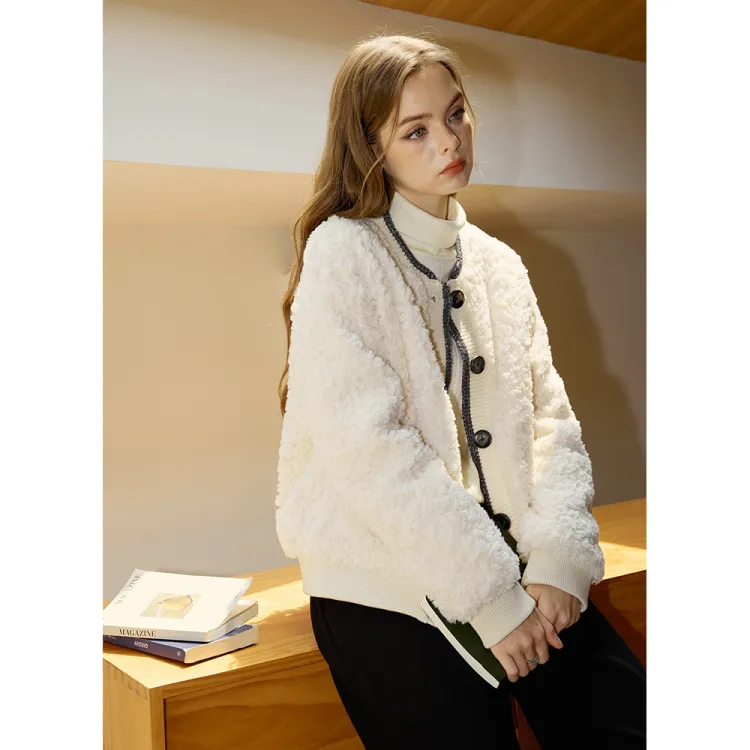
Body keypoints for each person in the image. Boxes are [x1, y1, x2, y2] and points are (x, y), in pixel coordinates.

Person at [275, 33, 646, 749]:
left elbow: (551, 422)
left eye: (455, 113)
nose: (449, 139)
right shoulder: (344, 252)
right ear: (372, 148)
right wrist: (492, 599)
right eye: (415, 130)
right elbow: (370, 451)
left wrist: (560, 562)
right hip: (384, 580)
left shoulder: (500, 264)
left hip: (518, 563)